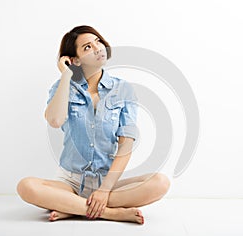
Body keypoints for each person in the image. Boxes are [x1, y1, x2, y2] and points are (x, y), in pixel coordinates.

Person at [17, 25, 170, 225]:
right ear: (75, 60)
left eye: (98, 41)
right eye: (87, 47)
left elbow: (126, 145)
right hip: (69, 183)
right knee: (26, 186)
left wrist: (104, 190)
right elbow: (54, 121)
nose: (97, 48)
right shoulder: (62, 87)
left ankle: (71, 207)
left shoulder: (122, 89)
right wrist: (66, 76)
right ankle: (109, 213)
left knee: (160, 183)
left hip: (107, 182)